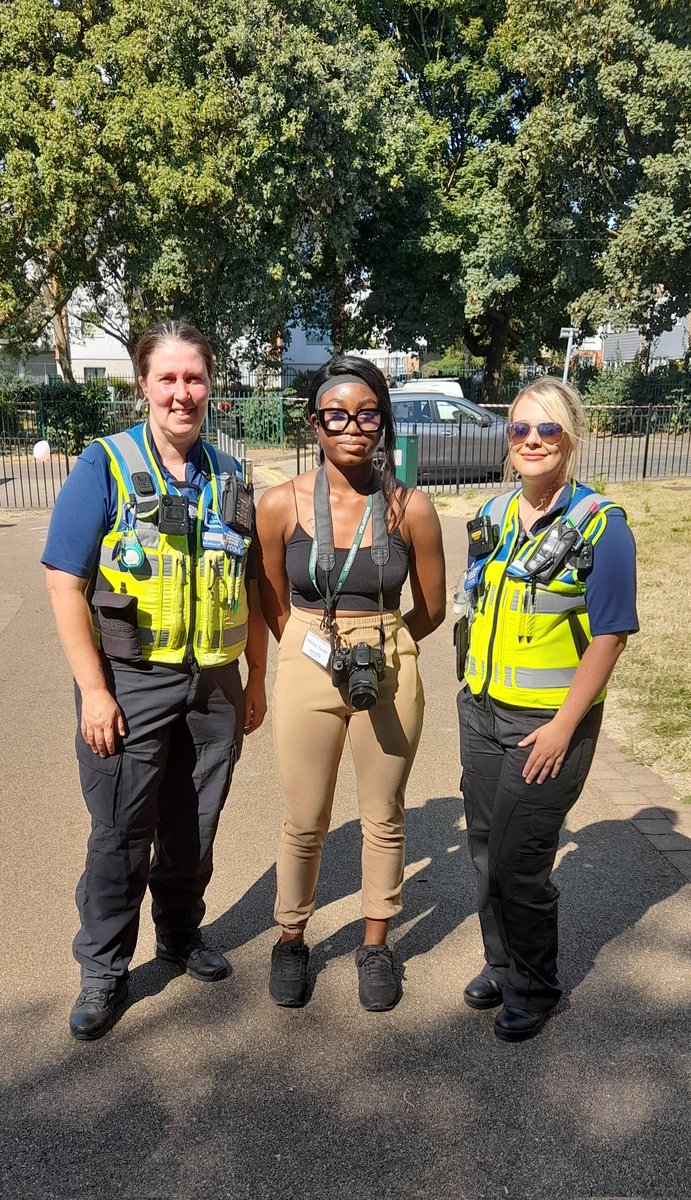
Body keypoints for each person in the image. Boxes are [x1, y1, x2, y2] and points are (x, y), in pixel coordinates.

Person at [42, 321, 268, 1040]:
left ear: (211, 386)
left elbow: (252, 584)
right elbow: (61, 582)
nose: (182, 392)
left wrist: (253, 678)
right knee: (119, 832)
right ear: (143, 383)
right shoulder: (101, 466)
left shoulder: (230, 476)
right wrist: (96, 691)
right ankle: (104, 971)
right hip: (129, 684)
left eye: (194, 378)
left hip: (213, 687)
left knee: (193, 825)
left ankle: (178, 934)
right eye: (167, 378)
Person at [256, 355, 446, 1011]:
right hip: (308, 657)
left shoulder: (409, 507)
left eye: (368, 413)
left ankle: (375, 943)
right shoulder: (279, 504)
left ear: (382, 422)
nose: (353, 426)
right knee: (304, 818)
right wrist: (311, 648)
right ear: (314, 423)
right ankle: (290, 940)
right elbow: (272, 601)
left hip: (388, 659)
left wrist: (387, 643)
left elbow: (433, 606)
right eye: (336, 413)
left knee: (383, 817)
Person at [455, 376, 638, 1041]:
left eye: (546, 430)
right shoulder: (499, 514)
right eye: (519, 430)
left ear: (571, 438)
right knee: (482, 849)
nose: (531, 441)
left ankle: (535, 988)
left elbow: (610, 634)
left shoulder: (601, 525)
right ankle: (501, 964)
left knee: (517, 861)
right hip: (480, 710)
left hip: (546, 727)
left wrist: (564, 725)